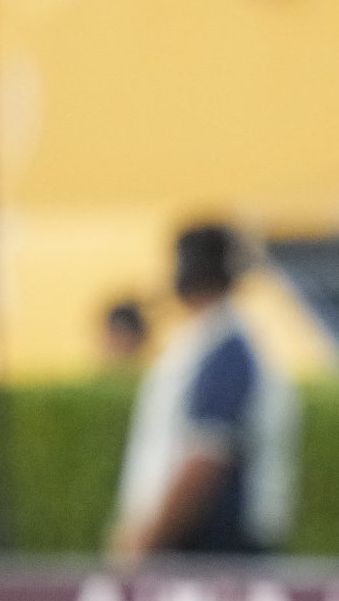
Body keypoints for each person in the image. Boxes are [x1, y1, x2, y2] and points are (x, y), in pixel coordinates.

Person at [111, 224, 299, 561]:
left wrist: (145, 541)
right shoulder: (215, 340)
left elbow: (206, 457)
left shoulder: (225, 348)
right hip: (201, 547)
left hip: (212, 551)